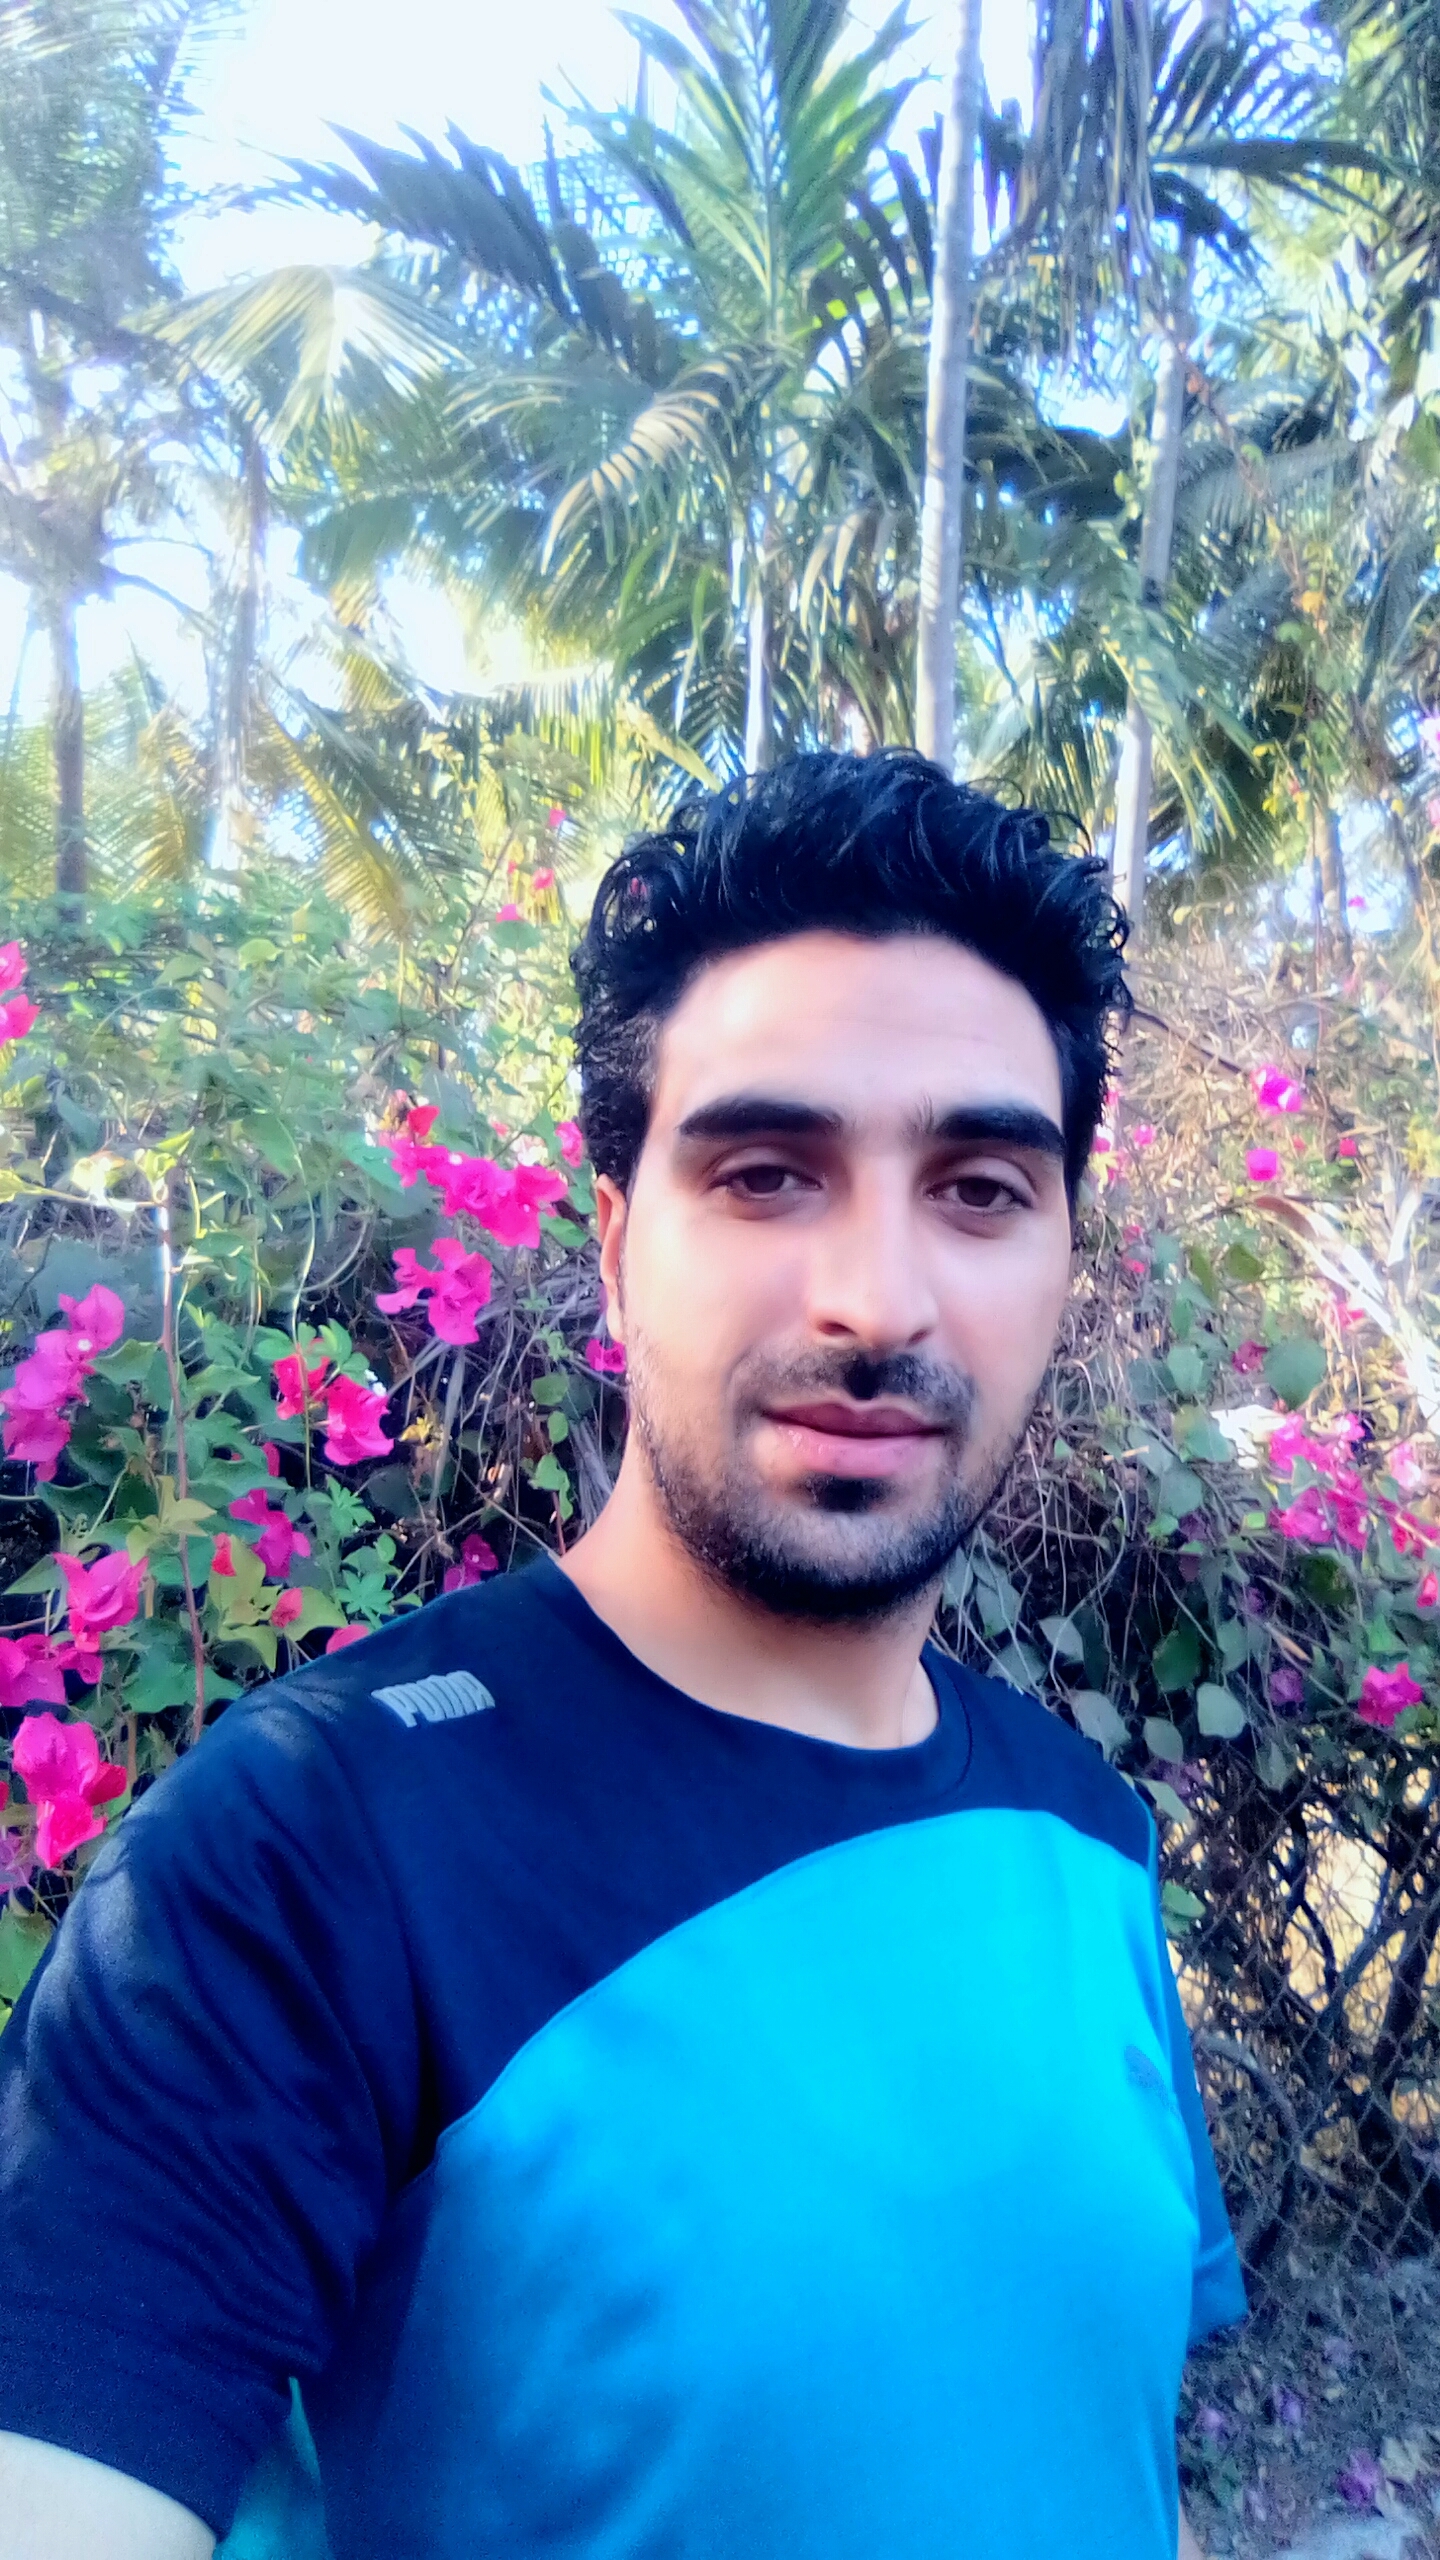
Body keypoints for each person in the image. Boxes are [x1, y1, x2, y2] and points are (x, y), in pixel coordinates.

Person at [0, 750, 1243, 2560]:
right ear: (612, 1244)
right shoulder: (302, 1859)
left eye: (981, 1188)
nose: (877, 1299)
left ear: (1064, 1258)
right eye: (766, 1173)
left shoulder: (1087, 1834)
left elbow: (1098, 2447)